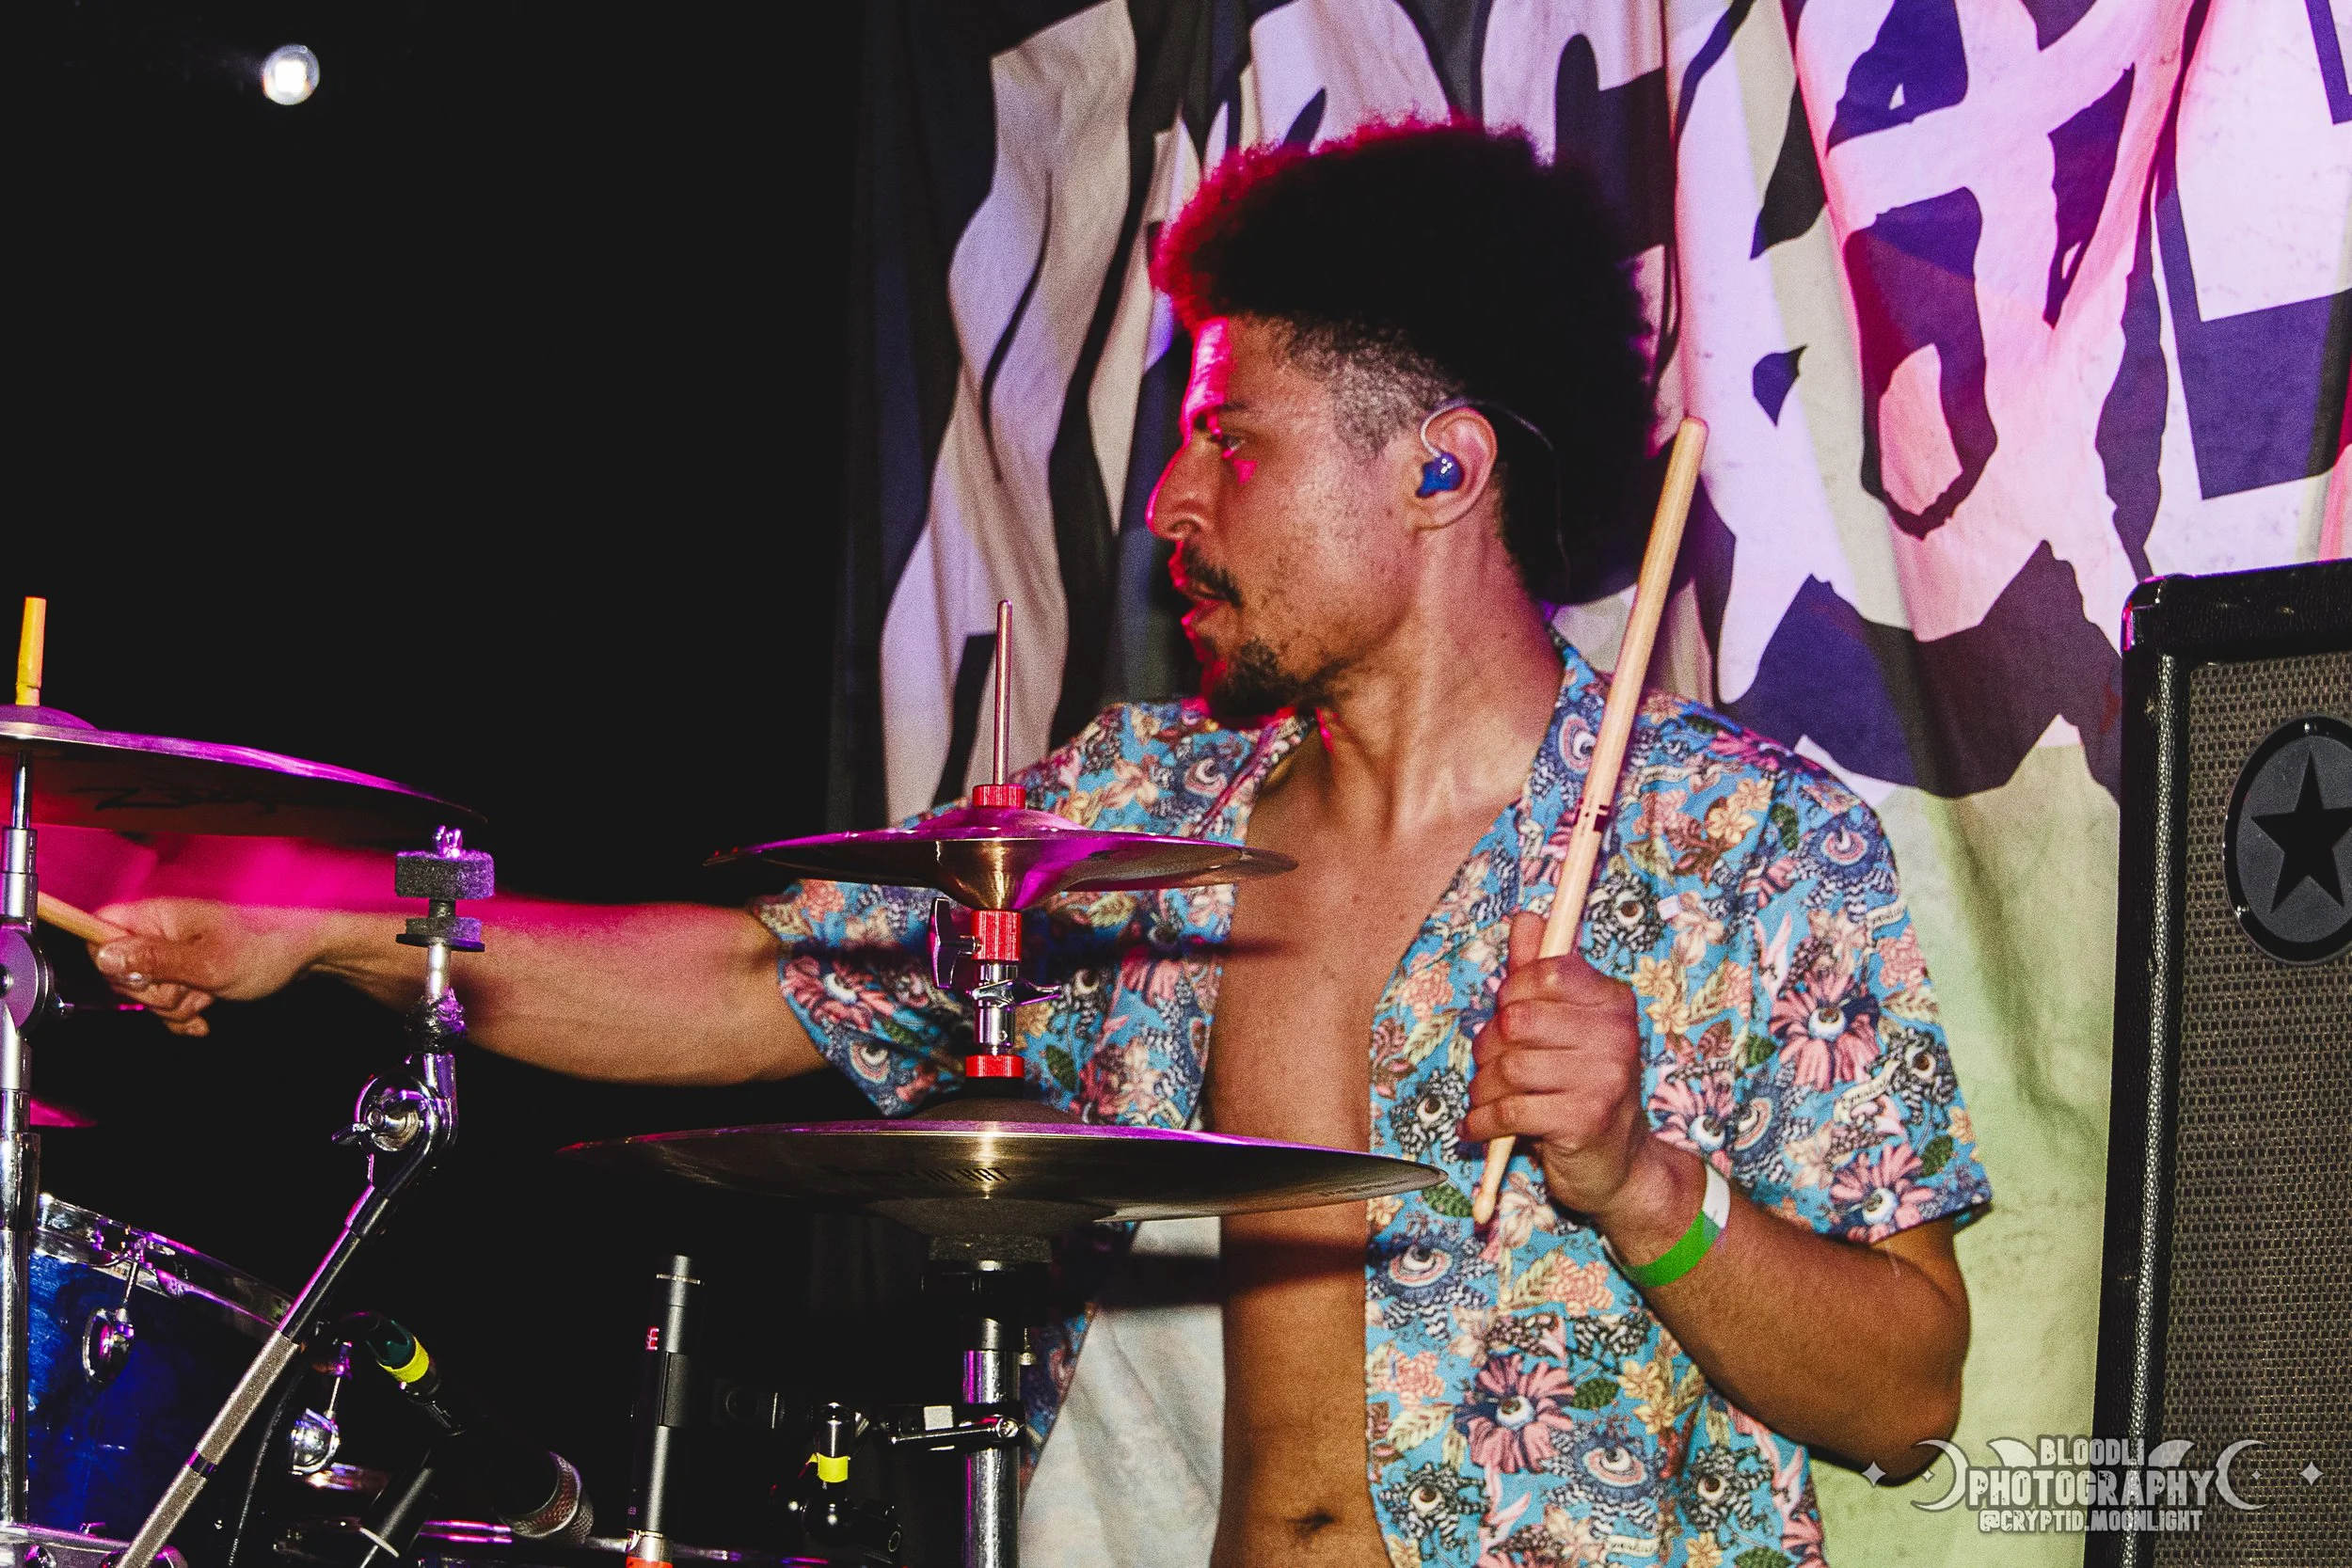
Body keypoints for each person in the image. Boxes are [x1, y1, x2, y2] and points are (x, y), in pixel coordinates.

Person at [84, 124, 1988, 1568]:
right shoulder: (1132, 818)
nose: (1170, 496)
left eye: (1232, 443)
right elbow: (753, 978)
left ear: (1438, 467)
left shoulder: (1735, 840)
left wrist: (1639, 1177)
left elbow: (1902, 1391)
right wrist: (337, 923)